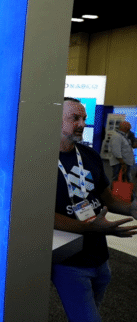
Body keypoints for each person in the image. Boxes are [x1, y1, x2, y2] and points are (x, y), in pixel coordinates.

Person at [52, 97, 137, 322]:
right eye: (75, 118)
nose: (82, 124)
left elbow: (106, 197)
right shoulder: (39, 161)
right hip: (70, 262)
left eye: (84, 119)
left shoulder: (89, 155)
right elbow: (42, 216)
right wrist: (89, 227)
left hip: (100, 258)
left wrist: (131, 208)